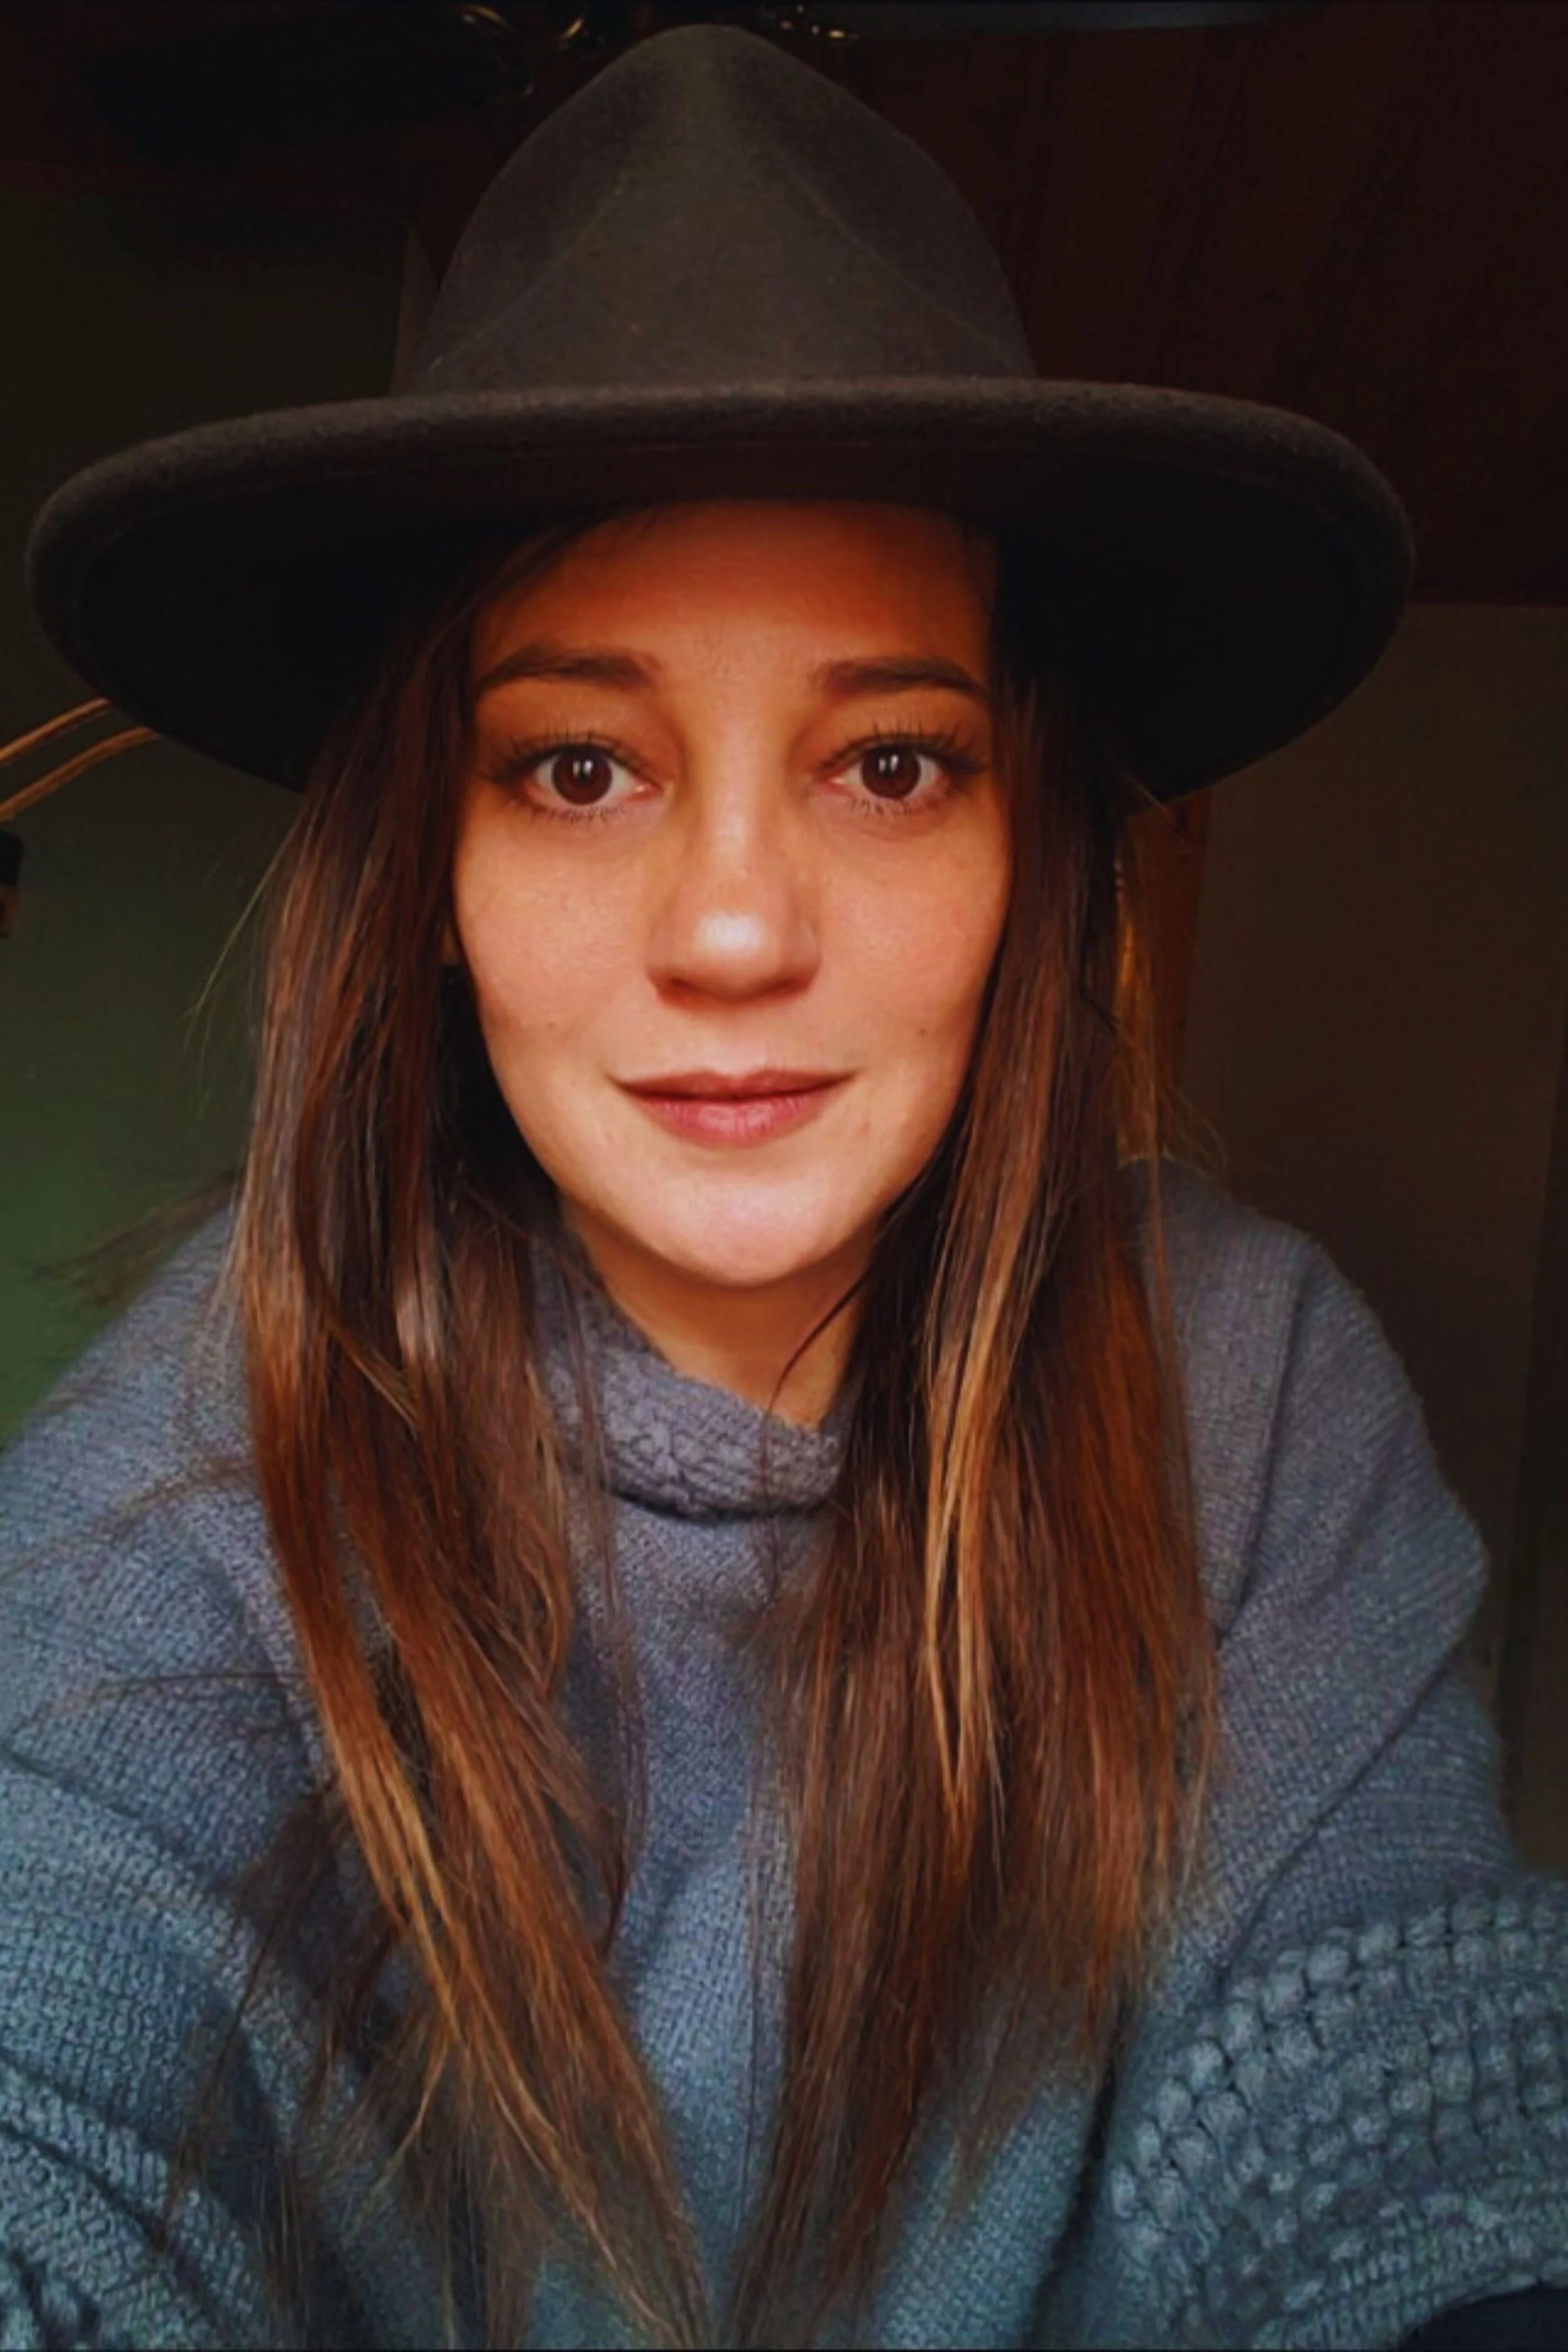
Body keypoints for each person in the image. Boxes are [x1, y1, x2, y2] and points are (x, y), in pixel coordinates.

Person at [3, 24, 1565, 2352]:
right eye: (577, 765)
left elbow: (1399, 2086)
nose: (735, 927)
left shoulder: (1242, 1384)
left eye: (894, 759)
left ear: (1031, 859)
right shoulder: (202, 1453)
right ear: (428, 866)